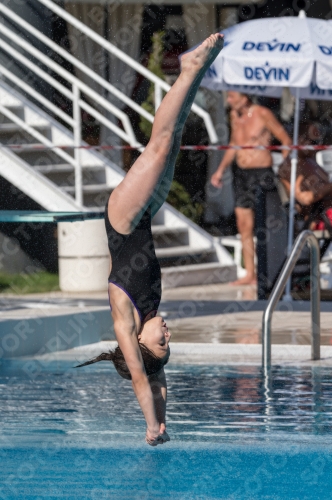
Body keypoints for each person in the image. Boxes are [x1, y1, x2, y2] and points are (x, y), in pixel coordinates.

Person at [76, 34, 225, 446]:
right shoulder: (149, 320)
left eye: (161, 341)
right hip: (143, 218)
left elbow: (142, 379)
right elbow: (157, 381)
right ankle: (196, 71)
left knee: (158, 147)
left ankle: (190, 68)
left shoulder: (125, 322)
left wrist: (146, 425)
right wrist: (162, 425)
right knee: (171, 144)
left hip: (123, 219)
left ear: (139, 344)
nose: (168, 333)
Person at [211, 92, 292, 285]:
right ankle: (250, 273)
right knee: (244, 224)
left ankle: (271, 270)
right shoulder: (234, 116)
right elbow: (234, 144)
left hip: (262, 173)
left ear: (244, 97)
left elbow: (285, 140)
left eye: (232, 97)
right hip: (241, 175)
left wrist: (284, 165)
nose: (229, 101)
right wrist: (220, 171)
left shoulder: (262, 113)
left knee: (265, 224)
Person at [279, 122, 332, 229]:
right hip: (318, 216)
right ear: (300, 141)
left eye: (317, 142)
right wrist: (330, 187)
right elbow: (305, 198)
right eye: (313, 142)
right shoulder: (290, 166)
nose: (316, 146)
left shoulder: (310, 161)